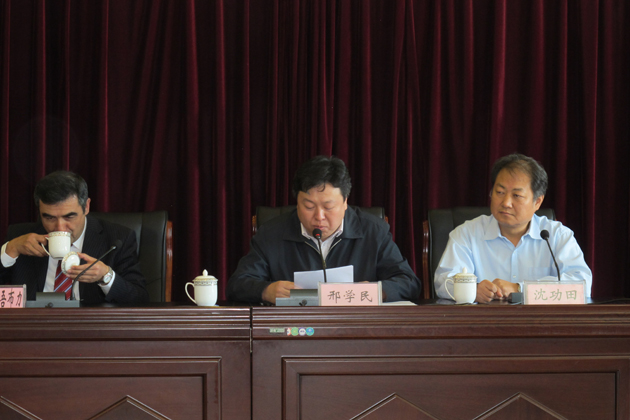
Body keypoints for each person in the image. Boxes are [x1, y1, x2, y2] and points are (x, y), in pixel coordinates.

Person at [227, 156, 421, 304]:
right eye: (309, 206)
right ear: (297, 203)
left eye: (328, 207)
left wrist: (376, 291)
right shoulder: (271, 234)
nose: (319, 216)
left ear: (345, 202)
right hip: (296, 332)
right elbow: (237, 284)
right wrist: (265, 290)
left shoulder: (373, 232)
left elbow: (409, 283)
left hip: (356, 331)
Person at [434, 153, 592, 303]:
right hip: (483, 321)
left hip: (541, 321)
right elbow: (443, 282)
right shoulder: (467, 233)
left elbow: (581, 286)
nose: (506, 203)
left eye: (516, 195)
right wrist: (472, 290)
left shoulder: (556, 236)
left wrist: (520, 289)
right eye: (500, 192)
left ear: (537, 202)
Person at [0, 171, 149, 303]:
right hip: (32, 324)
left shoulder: (117, 239)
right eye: (49, 218)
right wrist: (10, 250)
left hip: (89, 324)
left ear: (86, 207)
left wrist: (106, 276)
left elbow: (140, 299)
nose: (60, 228)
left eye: (69, 217)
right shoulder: (20, 237)